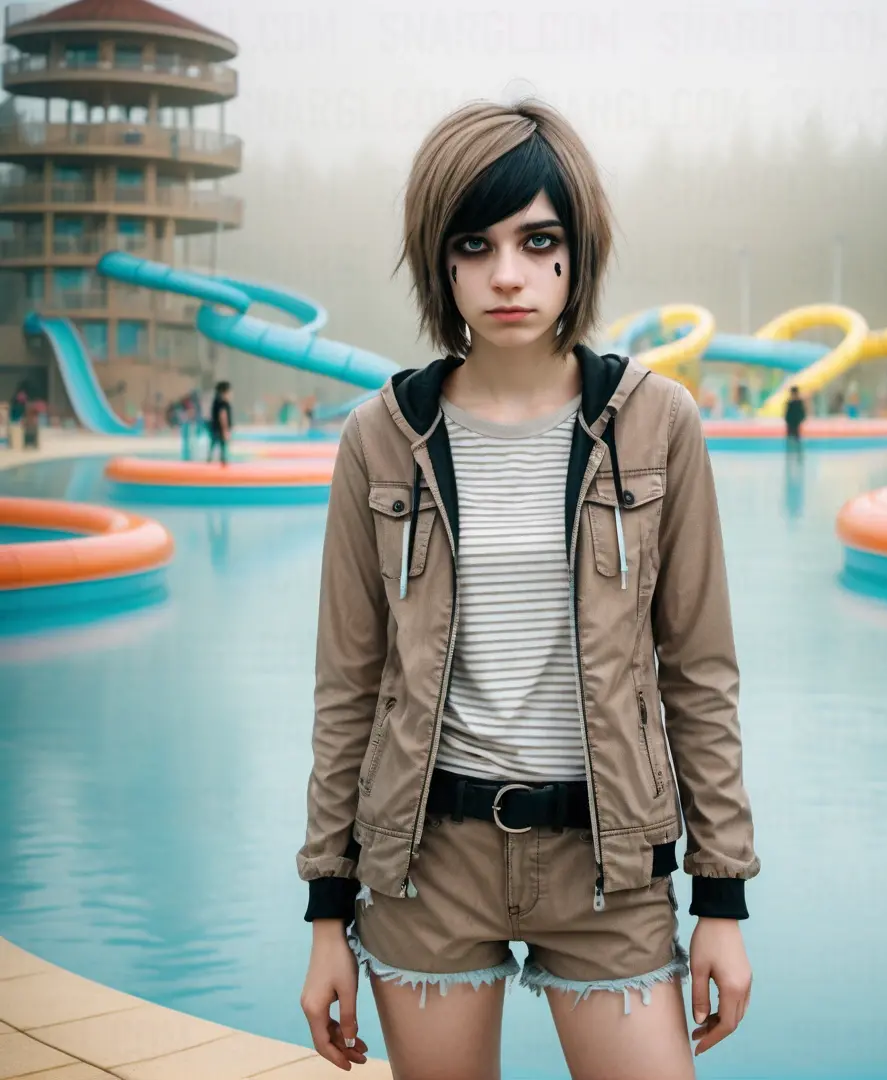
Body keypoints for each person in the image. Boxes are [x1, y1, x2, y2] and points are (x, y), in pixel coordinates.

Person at [297, 100, 759, 1080]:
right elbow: (348, 683)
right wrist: (326, 913)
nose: (507, 274)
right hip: (425, 868)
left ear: (575, 251)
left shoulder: (656, 424)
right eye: (476, 244)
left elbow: (700, 672)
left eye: (536, 239)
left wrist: (721, 898)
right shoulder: (379, 438)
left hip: (612, 868)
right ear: (442, 261)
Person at [208, 381, 232, 464]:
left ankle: (210, 460)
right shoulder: (223, 402)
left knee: (214, 444)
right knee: (222, 446)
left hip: (215, 427)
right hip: (220, 428)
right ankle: (222, 461)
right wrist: (225, 429)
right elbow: (223, 416)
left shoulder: (216, 401)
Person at [784, 384, 806, 459]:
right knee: (790, 439)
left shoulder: (799, 402)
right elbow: (787, 414)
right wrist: (787, 420)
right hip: (790, 424)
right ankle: (790, 454)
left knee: (797, 439)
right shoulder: (789, 403)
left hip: (796, 423)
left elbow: (802, 413)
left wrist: (800, 420)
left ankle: (799, 455)